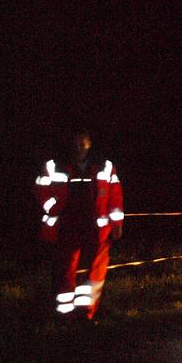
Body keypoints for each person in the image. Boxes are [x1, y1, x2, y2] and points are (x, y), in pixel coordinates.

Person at [34, 129, 123, 320]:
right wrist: (53, 208)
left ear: (89, 144)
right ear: (70, 144)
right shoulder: (54, 165)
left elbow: (115, 196)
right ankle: (64, 314)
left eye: (83, 144)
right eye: (76, 144)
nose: (79, 148)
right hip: (67, 225)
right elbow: (41, 189)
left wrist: (117, 222)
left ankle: (86, 313)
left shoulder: (104, 166)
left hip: (96, 228)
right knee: (65, 269)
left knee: (95, 271)